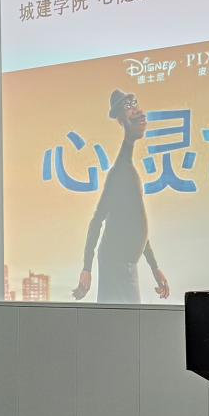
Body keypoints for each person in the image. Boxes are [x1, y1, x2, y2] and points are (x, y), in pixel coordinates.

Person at [72, 90, 170, 303]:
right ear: (120, 120)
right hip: (115, 265)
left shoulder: (128, 170)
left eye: (135, 103)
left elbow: (136, 225)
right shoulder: (118, 173)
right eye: (128, 107)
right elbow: (97, 220)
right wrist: (86, 268)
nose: (136, 110)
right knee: (120, 320)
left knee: (131, 319)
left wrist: (154, 267)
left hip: (128, 265)